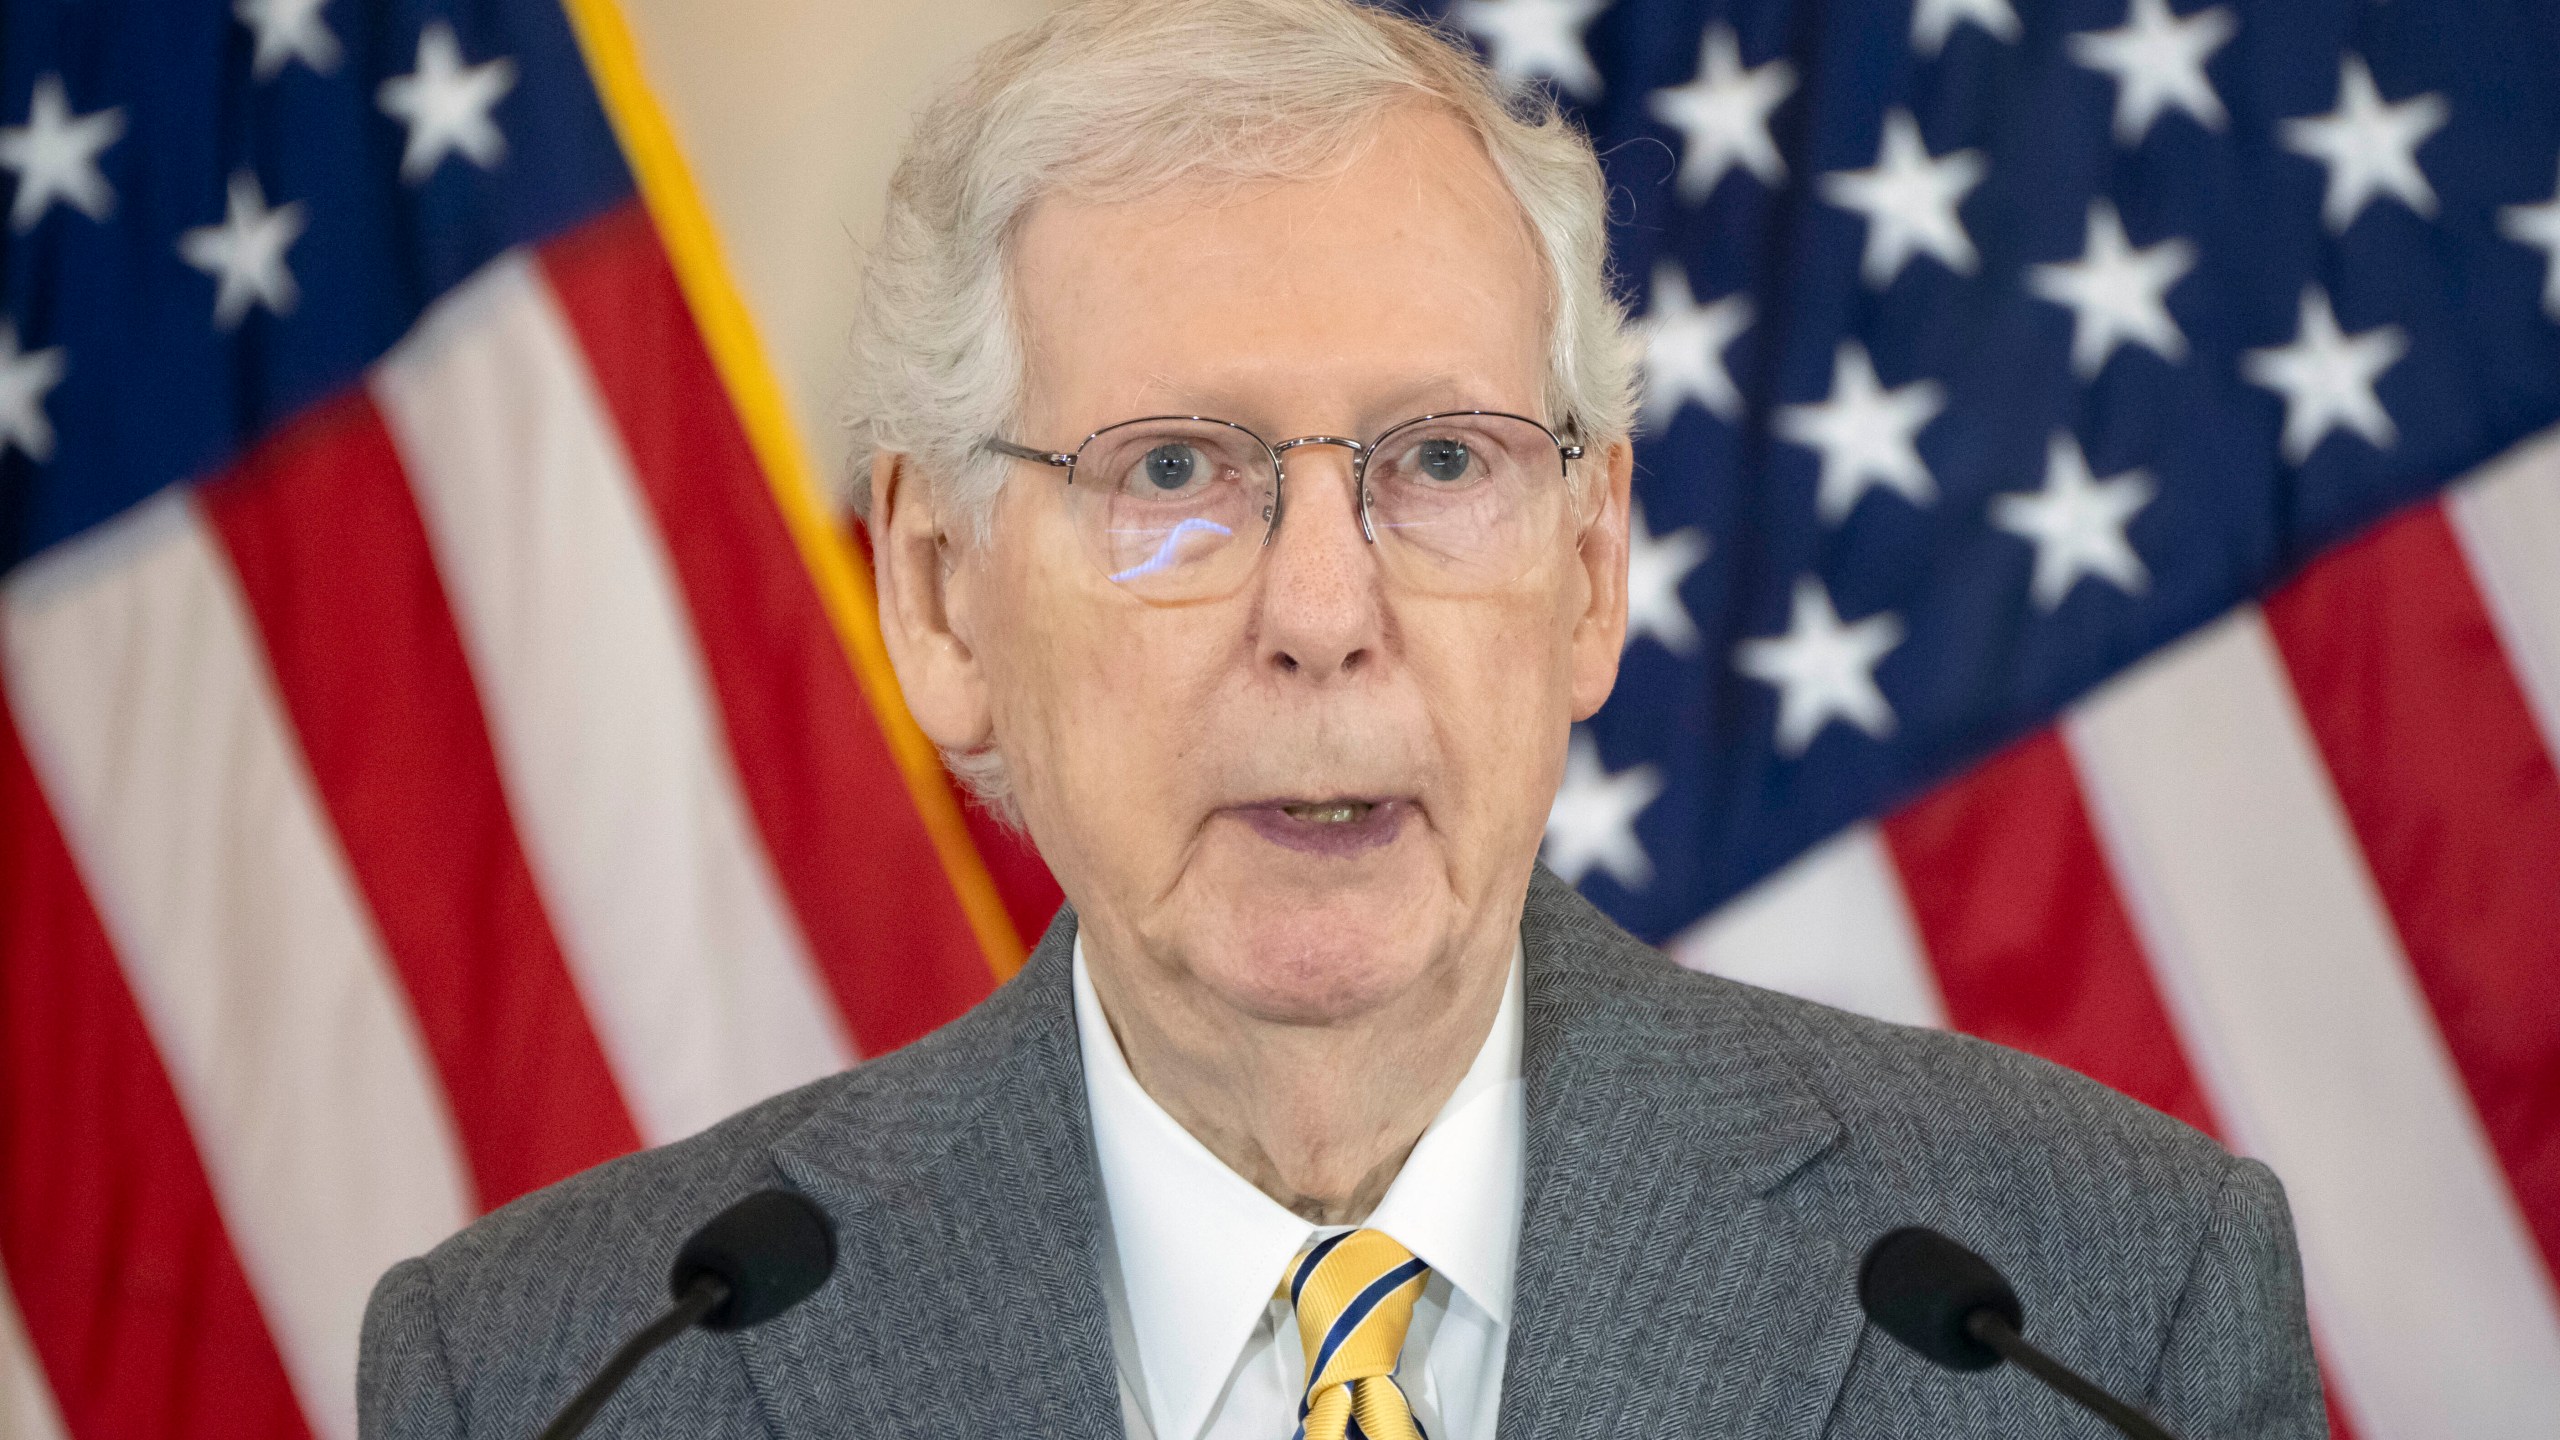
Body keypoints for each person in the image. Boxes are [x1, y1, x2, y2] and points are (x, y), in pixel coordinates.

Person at [357, 2, 2326, 1436]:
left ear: (1582, 567)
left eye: (1440, 459)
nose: (1321, 613)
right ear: (942, 596)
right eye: (1170, 474)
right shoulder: (556, 1378)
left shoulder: (2089, 1314)